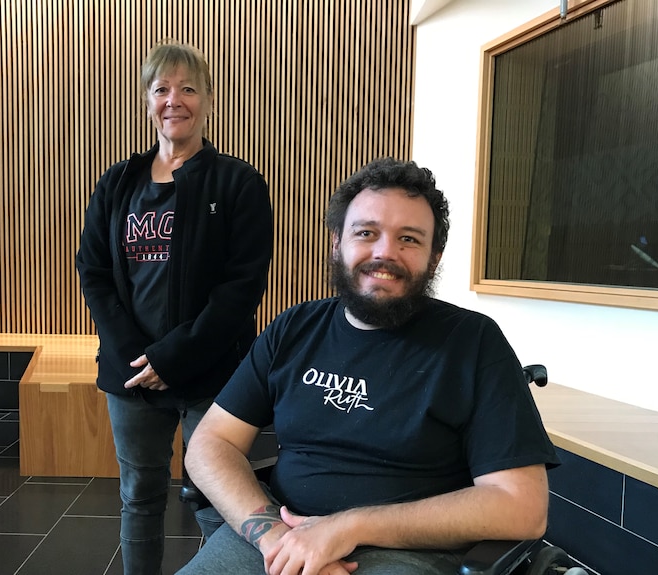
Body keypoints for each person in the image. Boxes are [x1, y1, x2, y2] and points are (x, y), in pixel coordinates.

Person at [178, 157, 559, 575]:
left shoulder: (474, 342)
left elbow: (521, 506)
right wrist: (280, 540)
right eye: (366, 233)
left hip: (407, 554)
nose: (384, 253)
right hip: (276, 539)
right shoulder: (294, 328)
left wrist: (349, 526)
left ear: (434, 258)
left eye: (409, 239)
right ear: (337, 242)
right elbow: (210, 442)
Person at [75, 40, 273, 575]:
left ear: (206, 98)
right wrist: (138, 356)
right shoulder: (118, 182)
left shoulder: (238, 183)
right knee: (139, 496)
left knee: (216, 502)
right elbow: (92, 270)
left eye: (188, 88)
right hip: (131, 374)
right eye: (162, 89)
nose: (174, 100)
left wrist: (174, 357)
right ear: (147, 101)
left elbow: (240, 287)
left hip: (212, 373)